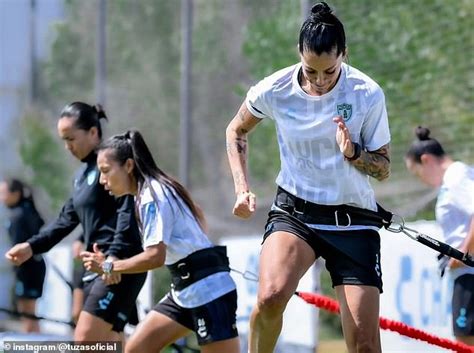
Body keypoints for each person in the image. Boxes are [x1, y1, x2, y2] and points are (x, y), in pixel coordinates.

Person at [226, 2, 391, 353]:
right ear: (299, 54)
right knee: (270, 297)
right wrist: (242, 188)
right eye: (310, 70)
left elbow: (384, 167)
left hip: (354, 221)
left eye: (329, 72)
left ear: (344, 55)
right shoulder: (275, 89)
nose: (319, 81)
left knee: (363, 343)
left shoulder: (367, 93)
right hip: (295, 214)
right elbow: (236, 130)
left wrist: (354, 154)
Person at [80, 130, 240, 353]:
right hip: (183, 290)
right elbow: (200, 220)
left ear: (128, 166)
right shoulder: (153, 190)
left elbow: (156, 256)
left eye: (106, 171)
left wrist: (109, 265)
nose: (101, 180)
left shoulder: (151, 195)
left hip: (209, 292)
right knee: (135, 349)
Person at [5, 102, 146, 345]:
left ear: (93, 132)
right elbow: (64, 221)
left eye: (71, 138)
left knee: (84, 340)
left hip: (115, 267)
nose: (68, 146)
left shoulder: (112, 165)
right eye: (63, 140)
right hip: (95, 266)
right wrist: (31, 246)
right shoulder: (81, 177)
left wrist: (113, 257)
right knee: (109, 343)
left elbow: (126, 213)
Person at [405, 126, 474, 345]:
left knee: (465, 339)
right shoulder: (454, 179)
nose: (421, 180)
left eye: (417, 173)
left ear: (426, 160)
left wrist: (464, 250)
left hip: (469, 272)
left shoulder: (456, 176)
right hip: (464, 273)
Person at [0, 178, 46, 333]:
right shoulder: (25, 210)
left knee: (28, 313)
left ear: (15, 194)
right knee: (28, 313)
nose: (2, 197)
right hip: (31, 268)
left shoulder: (20, 215)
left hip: (29, 269)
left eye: (4, 193)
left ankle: (32, 345)